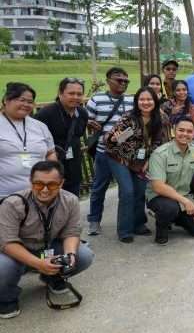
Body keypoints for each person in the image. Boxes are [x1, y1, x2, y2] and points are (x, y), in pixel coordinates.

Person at [0, 161, 94, 319]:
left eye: (51, 185)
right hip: (17, 252)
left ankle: (52, 277)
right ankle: (6, 298)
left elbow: (72, 232)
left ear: (61, 183)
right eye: (38, 184)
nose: (44, 190)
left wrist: (70, 255)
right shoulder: (12, 204)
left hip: (47, 248)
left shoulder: (70, 201)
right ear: (30, 182)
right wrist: (38, 264)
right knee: (2, 267)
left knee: (83, 256)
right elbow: (7, 243)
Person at [105, 87, 167, 243]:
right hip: (119, 158)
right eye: (142, 99)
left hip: (140, 161)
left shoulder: (160, 118)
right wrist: (114, 138)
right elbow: (111, 139)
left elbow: (159, 142)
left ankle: (139, 224)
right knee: (127, 192)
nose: (145, 102)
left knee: (140, 192)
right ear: (136, 102)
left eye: (149, 99)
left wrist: (149, 160)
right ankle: (125, 230)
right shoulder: (129, 119)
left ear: (155, 101)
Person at [85, 67, 134, 236]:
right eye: (118, 80)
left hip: (124, 154)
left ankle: (126, 222)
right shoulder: (96, 99)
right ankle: (94, 220)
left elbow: (135, 125)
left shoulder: (131, 101)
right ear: (108, 80)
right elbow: (85, 119)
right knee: (99, 187)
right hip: (103, 152)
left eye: (126, 81)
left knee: (126, 189)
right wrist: (89, 123)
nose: (123, 83)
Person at [146, 117, 194, 245]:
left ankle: (176, 218)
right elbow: (158, 186)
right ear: (174, 131)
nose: (185, 134)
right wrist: (185, 201)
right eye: (181, 130)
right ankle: (162, 227)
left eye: (189, 131)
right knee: (169, 208)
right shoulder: (160, 153)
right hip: (160, 197)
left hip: (184, 197)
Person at [0, 83, 56, 198]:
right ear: (6, 100)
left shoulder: (40, 126)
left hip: (40, 195)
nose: (26, 105)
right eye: (22, 100)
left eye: (30, 102)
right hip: (5, 197)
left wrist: (52, 174)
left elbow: (50, 152)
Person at [34, 78, 88, 197]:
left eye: (79, 94)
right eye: (71, 93)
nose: (75, 97)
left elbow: (78, 136)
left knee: (71, 203)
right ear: (60, 93)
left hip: (74, 169)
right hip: (50, 171)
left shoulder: (83, 114)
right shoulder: (45, 114)